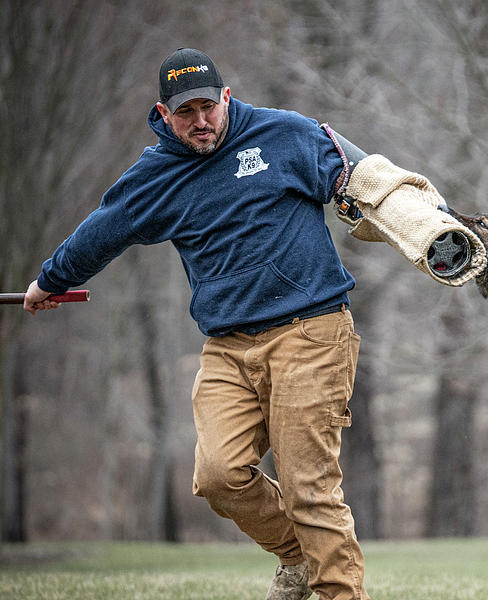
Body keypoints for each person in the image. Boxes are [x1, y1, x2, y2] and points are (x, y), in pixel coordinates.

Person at [25, 48, 373, 600]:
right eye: (185, 112)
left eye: (208, 106)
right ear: (164, 115)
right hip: (228, 347)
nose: (200, 120)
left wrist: (407, 215)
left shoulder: (286, 135)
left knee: (310, 488)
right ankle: (298, 555)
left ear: (226, 99)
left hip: (312, 332)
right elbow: (102, 230)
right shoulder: (157, 176)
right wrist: (51, 280)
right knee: (218, 476)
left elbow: (362, 183)